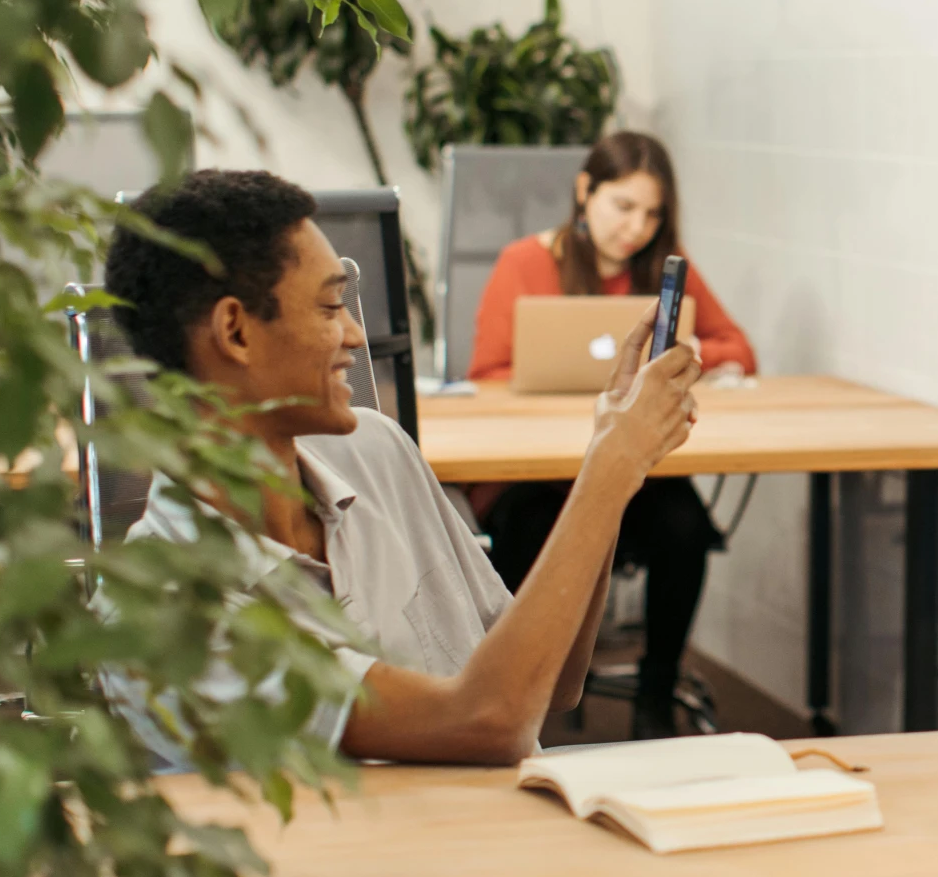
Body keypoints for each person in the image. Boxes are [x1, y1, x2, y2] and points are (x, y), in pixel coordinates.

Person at [104, 168, 700, 765]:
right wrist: (611, 465)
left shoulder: (378, 452)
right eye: (330, 306)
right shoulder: (161, 611)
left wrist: (614, 460)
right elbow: (487, 720)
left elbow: (556, 682)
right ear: (235, 331)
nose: (356, 336)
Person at [466, 131, 755, 738]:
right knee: (528, 531)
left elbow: (740, 351)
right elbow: (487, 375)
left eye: (652, 213)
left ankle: (656, 693)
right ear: (584, 191)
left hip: (631, 469)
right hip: (537, 474)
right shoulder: (525, 261)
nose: (637, 228)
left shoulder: (664, 268)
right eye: (623, 206)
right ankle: (529, 696)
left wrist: (692, 346)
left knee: (684, 526)